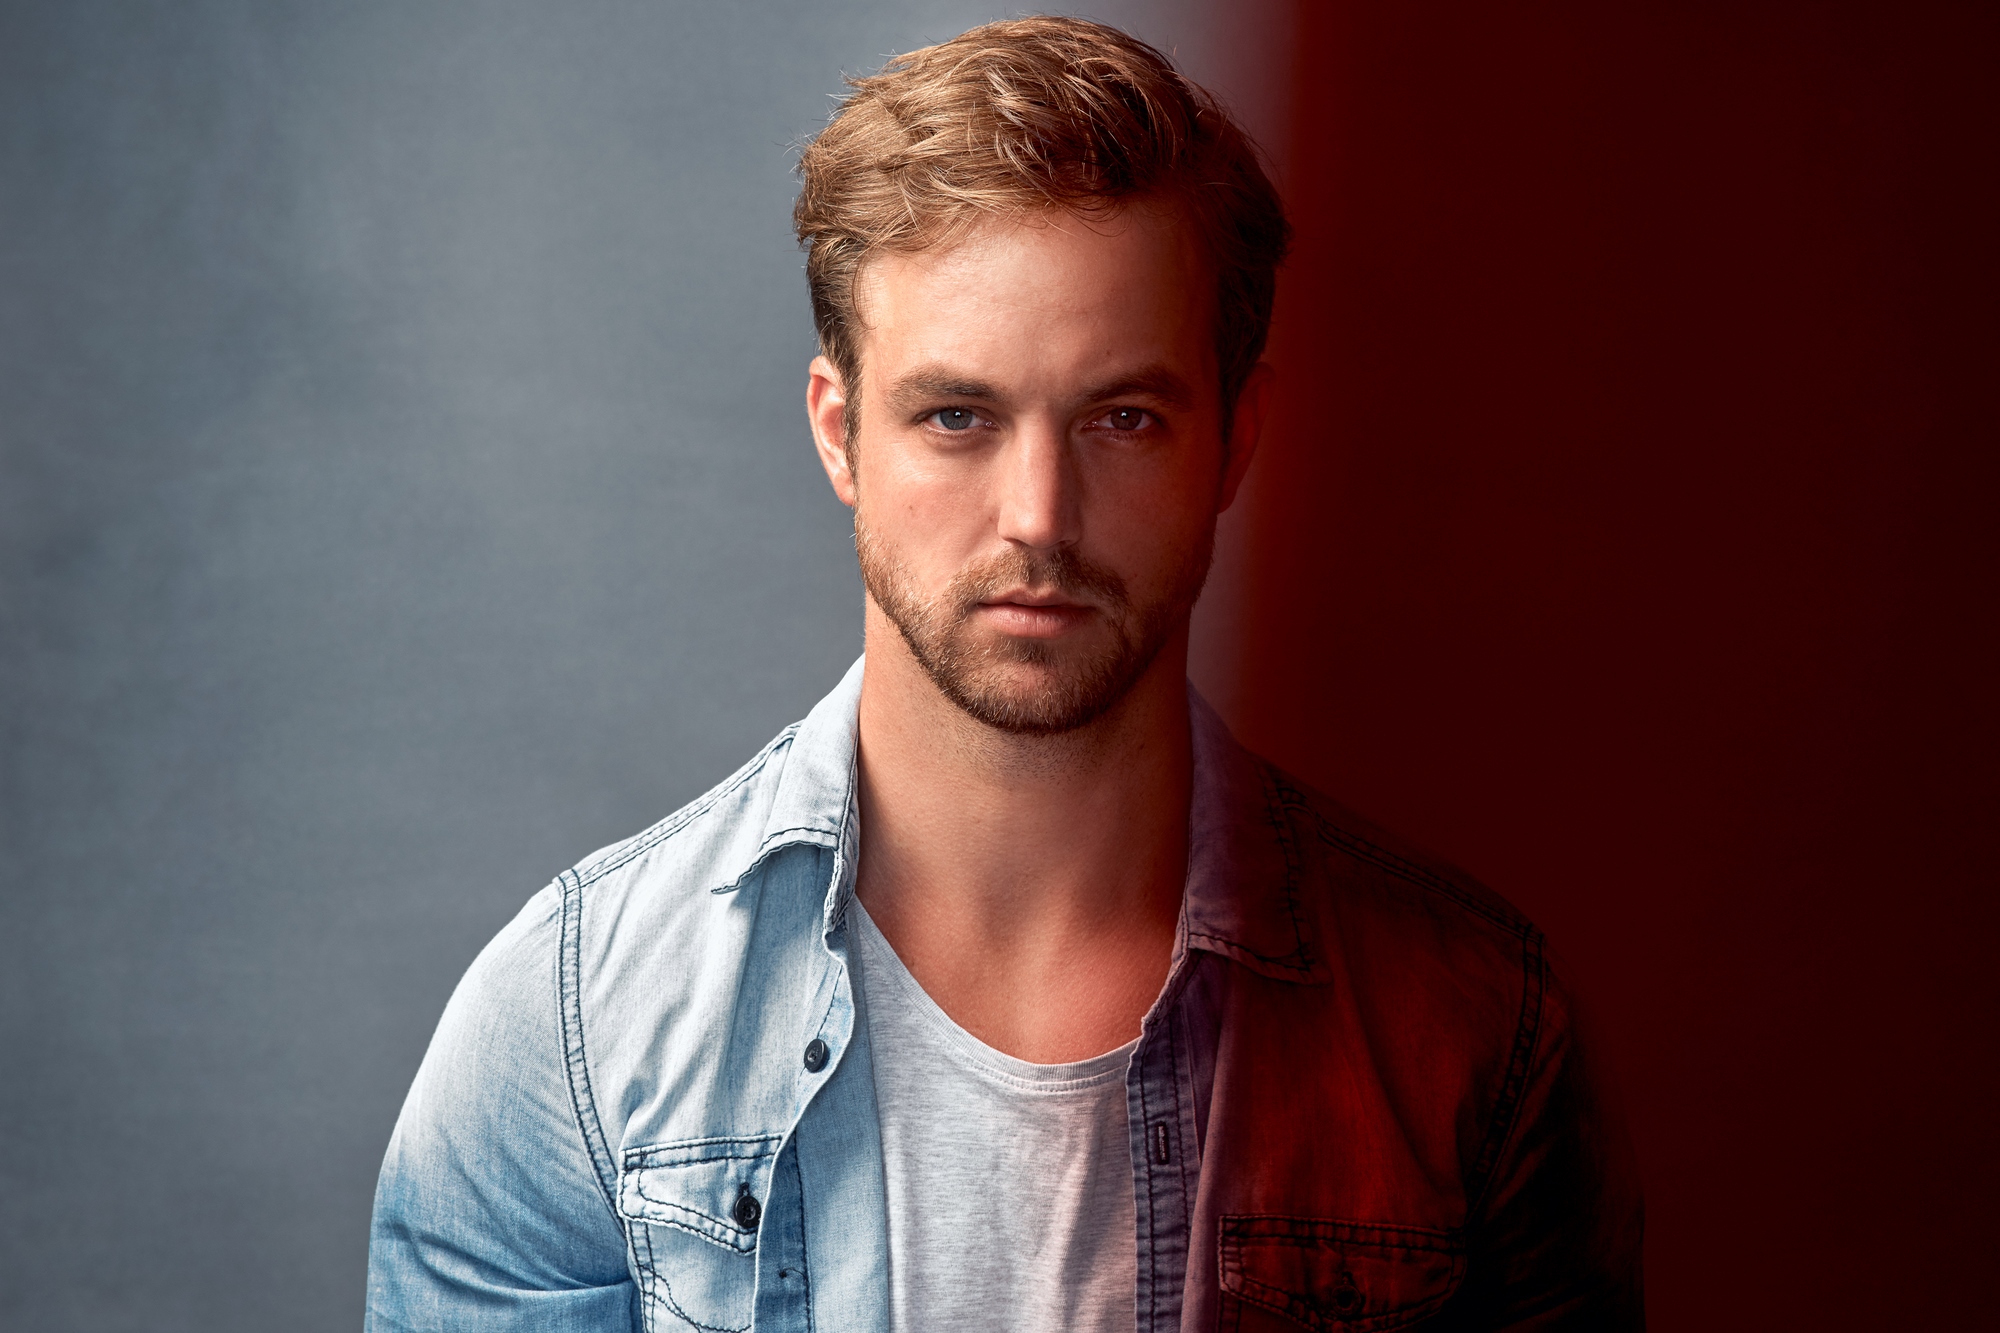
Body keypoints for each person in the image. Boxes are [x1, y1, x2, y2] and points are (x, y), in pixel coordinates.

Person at [364, 17, 1643, 1332]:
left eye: (1122, 419)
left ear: (1234, 439)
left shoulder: (1471, 1040)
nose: (1040, 512)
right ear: (840, 432)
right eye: (958, 416)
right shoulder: (572, 1029)